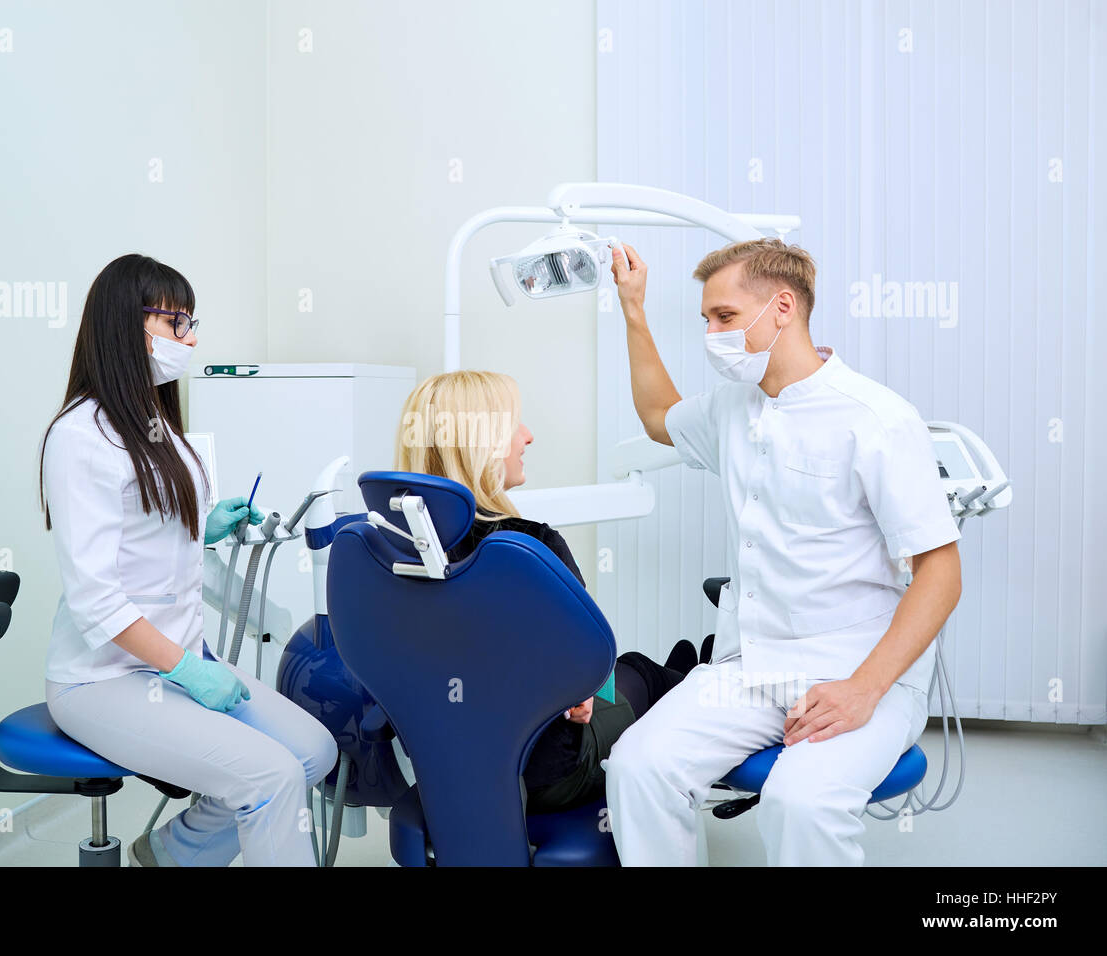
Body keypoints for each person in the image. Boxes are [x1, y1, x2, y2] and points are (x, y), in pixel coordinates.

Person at [604, 238, 962, 866]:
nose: (713, 334)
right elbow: (660, 416)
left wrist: (861, 690)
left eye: (725, 317)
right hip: (751, 667)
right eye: (706, 319)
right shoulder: (732, 410)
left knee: (801, 799)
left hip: (859, 669)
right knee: (638, 765)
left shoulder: (874, 417)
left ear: (783, 307)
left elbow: (942, 574)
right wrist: (633, 308)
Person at [39, 253, 337, 867]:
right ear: (127, 324)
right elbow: (97, 596)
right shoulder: (80, 437)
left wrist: (199, 531)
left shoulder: (154, 421)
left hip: (173, 658)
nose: (191, 339)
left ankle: (175, 853)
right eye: (177, 322)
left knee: (314, 752)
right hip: (104, 679)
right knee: (271, 777)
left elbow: (141, 542)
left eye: (191, 322)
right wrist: (188, 671)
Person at [394, 370, 696, 814]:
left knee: (629, 673)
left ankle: (685, 670)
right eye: (513, 424)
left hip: (445, 768)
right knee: (636, 673)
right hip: (550, 773)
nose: (528, 436)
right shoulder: (529, 547)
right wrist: (580, 688)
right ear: (478, 445)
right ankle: (690, 679)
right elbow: (591, 665)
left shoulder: (392, 550)